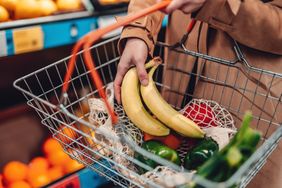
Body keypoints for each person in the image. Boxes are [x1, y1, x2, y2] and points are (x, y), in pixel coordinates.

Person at [114, 0, 282, 187]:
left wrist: (218, 5)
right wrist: (139, 30)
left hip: (249, 93)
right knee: (170, 171)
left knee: (234, 176)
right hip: (180, 69)